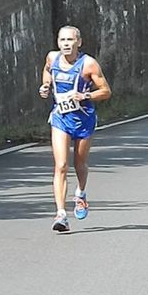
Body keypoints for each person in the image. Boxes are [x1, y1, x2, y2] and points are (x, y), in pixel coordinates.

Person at [38, 25, 111, 232]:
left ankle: (80, 193)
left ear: (79, 42)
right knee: (61, 165)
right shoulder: (52, 58)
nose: (66, 44)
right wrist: (45, 86)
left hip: (84, 120)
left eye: (70, 40)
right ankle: (61, 214)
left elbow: (106, 91)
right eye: (62, 40)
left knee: (80, 164)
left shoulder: (88, 64)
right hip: (61, 117)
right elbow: (47, 73)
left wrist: (85, 96)